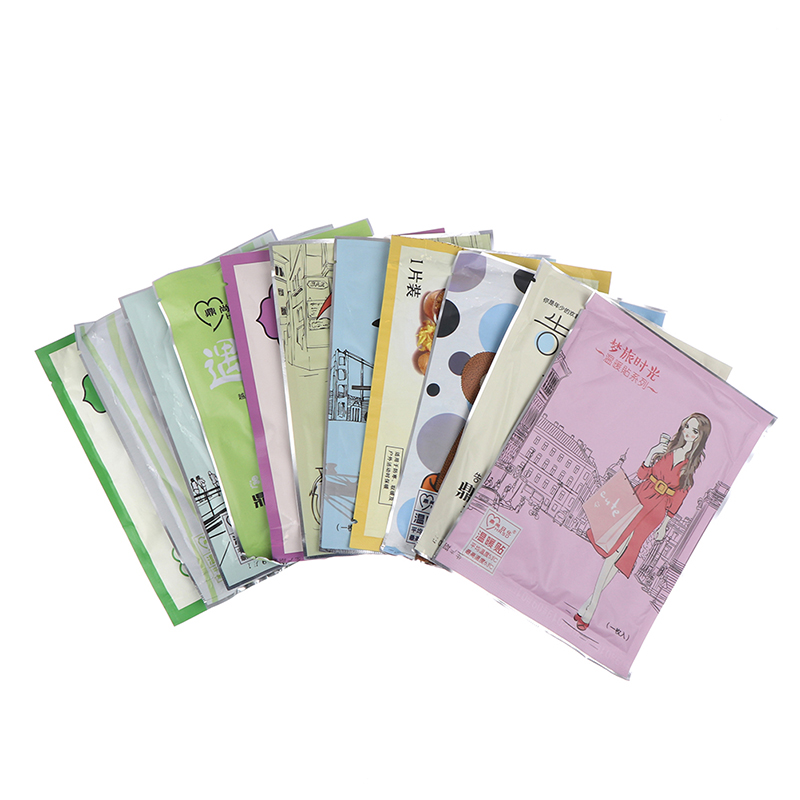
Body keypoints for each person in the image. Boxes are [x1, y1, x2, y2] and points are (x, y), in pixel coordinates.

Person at [574, 413, 711, 631]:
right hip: (639, 497)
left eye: (695, 431)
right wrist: (650, 454)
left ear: (700, 436)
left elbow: (678, 499)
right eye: (687, 427)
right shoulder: (666, 450)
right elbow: (641, 474)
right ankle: (590, 606)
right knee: (615, 550)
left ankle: (590, 605)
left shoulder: (689, 468)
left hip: (656, 511)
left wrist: (665, 525)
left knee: (624, 553)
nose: (688, 433)